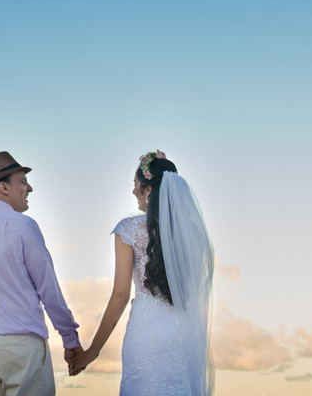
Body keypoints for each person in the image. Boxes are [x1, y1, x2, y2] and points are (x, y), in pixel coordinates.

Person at [69, 151, 214, 396]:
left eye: (135, 185)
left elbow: (120, 295)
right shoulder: (192, 234)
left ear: (148, 190)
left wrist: (92, 352)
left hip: (145, 331)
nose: (133, 191)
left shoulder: (129, 230)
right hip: (183, 334)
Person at [0, 151, 84, 396]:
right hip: (21, 348)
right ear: (3, 188)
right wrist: (70, 339)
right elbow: (48, 289)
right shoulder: (23, 226)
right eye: (22, 181)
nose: (29, 187)